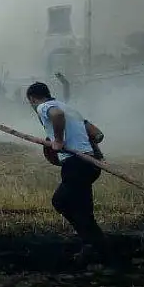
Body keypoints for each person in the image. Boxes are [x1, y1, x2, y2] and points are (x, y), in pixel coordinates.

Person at [25, 82, 115, 264]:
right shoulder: (71, 109)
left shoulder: (45, 106)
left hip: (76, 164)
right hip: (91, 164)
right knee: (83, 209)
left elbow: (56, 116)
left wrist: (58, 140)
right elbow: (97, 134)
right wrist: (97, 154)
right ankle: (94, 248)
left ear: (32, 99)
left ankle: (96, 244)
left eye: (30, 103)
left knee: (60, 201)